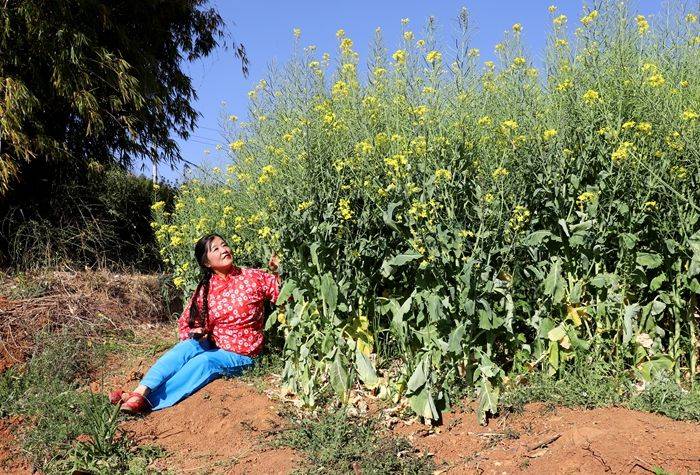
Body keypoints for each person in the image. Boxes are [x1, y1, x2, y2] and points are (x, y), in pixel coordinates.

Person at [109, 233, 280, 414]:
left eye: (225, 245)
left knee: (205, 361)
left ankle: (148, 403)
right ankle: (139, 392)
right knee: (187, 348)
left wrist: (278, 271)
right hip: (214, 344)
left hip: (243, 354)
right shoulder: (205, 288)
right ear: (207, 263)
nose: (224, 250)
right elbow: (186, 322)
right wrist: (196, 331)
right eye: (216, 249)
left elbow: (284, 294)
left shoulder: (253, 277)